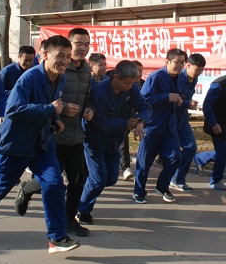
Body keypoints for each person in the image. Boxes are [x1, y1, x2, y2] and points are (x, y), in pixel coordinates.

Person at [0, 35, 81, 254]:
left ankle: (57, 237)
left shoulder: (60, 78)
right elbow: (13, 109)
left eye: (68, 57)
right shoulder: (28, 78)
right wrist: (49, 110)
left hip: (42, 143)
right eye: (60, 55)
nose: (64, 61)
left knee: (54, 184)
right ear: (44, 54)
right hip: (16, 144)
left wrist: (55, 120)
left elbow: (49, 106)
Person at [13, 28, 94, 238]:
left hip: (76, 134)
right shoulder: (57, 69)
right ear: (69, 45)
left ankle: (69, 220)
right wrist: (63, 108)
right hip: (53, 134)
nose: (83, 48)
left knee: (78, 179)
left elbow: (88, 96)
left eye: (87, 44)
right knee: (50, 180)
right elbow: (44, 98)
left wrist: (89, 108)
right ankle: (26, 189)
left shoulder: (87, 70)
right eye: (79, 43)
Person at [78, 60, 151, 224]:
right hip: (94, 141)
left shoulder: (132, 89)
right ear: (116, 77)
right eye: (127, 83)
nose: (130, 86)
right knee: (98, 179)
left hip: (114, 142)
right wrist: (125, 123)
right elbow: (100, 122)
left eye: (132, 83)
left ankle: (80, 189)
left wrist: (140, 120)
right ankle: (81, 209)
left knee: (110, 178)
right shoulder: (99, 92)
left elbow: (146, 107)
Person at [134, 49, 187, 204]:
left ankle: (162, 186)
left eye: (182, 63)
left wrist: (179, 100)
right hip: (152, 126)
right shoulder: (156, 77)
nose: (180, 66)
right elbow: (144, 99)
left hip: (170, 127)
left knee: (175, 157)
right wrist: (166, 97)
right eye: (177, 62)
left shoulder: (181, 78)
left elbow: (179, 96)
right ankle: (139, 192)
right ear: (167, 62)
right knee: (144, 162)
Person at [169, 53, 205, 192]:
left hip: (183, 119)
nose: (199, 72)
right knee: (171, 152)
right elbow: (175, 100)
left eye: (201, 70)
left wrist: (188, 103)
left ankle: (178, 179)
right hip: (171, 119)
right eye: (197, 69)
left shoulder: (193, 79)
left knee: (190, 147)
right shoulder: (177, 78)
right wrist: (187, 103)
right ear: (188, 65)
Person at [118, 60, 144, 181]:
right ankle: (125, 168)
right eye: (137, 71)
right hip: (120, 119)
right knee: (123, 142)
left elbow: (145, 105)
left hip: (133, 118)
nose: (139, 74)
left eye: (141, 72)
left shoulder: (141, 84)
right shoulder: (115, 85)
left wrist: (140, 120)